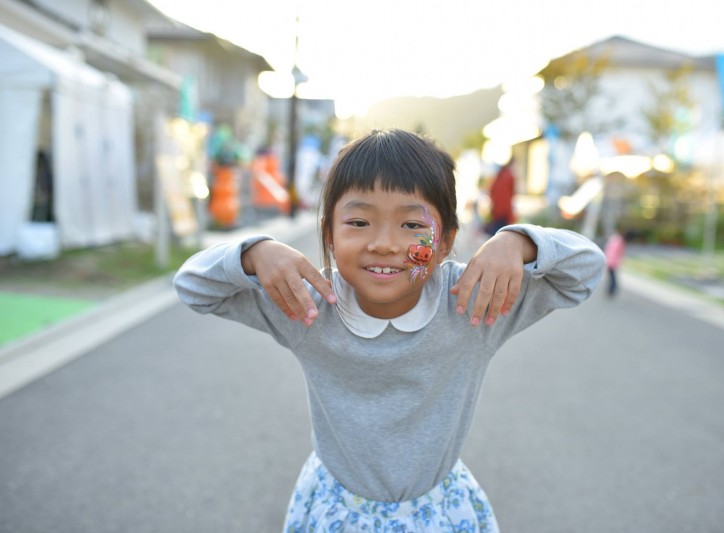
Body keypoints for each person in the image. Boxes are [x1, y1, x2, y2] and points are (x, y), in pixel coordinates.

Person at [174, 129, 605, 531]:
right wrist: (253, 253)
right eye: (359, 223)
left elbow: (585, 271)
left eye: (413, 225)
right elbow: (193, 287)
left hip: (440, 512)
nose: (384, 243)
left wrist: (519, 241)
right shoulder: (306, 302)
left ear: (445, 242)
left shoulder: (473, 300)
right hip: (336, 509)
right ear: (328, 234)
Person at [486, 157, 516, 235]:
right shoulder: (509, 175)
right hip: (505, 210)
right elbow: (513, 193)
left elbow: (491, 190)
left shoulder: (499, 175)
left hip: (497, 209)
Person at [603, 229, 626, 298]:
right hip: (613, 262)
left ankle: (611, 289)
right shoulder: (620, 241)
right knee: (613, 277)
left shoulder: (613, 239)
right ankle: (612, 289)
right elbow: (619, 253)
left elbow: (607, 249)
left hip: (609, 261)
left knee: (611, 277)